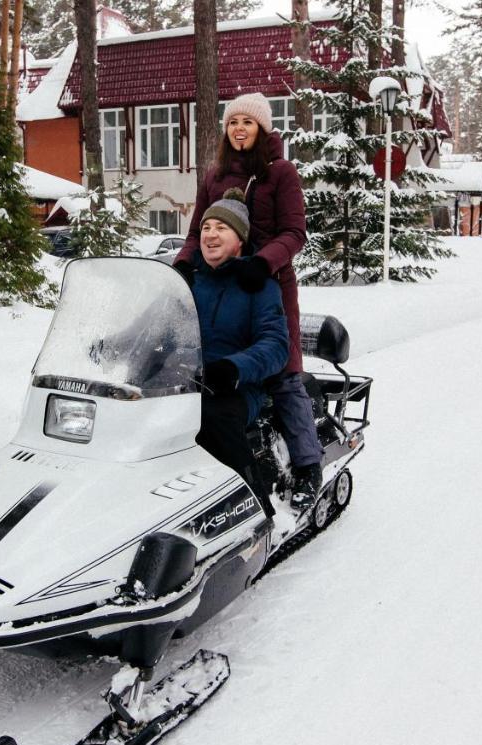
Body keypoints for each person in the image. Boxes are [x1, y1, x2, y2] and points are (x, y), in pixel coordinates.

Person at [173, 92, 324, 506]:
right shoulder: (215, 175)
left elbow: (294, 232)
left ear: (262, 128)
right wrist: (184, 265)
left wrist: (261, 263)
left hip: (267, 280)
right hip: (218, 276)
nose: (239, 128)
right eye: (233, 121)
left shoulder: (281, 172)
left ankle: (308, 466)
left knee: (285, 376)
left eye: (248, 122)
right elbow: (196, 233)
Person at [189, 190, 289, 517]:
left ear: (240, 240)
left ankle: (257, 509)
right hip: (185, 383)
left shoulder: (259, 286)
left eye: (221, 228)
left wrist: (233, 368)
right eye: (206, 227)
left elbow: (275, 345)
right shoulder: (188, 281)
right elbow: (153, 326)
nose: (211, 234)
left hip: (237, 388)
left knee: (213, 418)